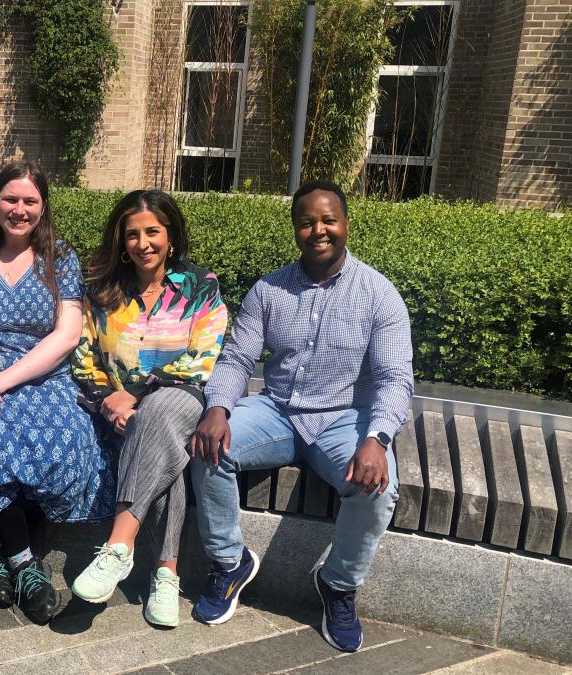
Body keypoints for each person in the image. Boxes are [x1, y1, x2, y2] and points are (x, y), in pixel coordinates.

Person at [188, 180, 412, 652]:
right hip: (278, 412)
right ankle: (230, 563)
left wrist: (378, 438)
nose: (318, 230)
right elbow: (236, 359)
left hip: (344, 418)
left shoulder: (379, 294)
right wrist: (219, 408)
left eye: (328, 219)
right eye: (307, 222)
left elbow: (395, 379)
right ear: (296, 229)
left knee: (379, 487)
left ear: (346, 224)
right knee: (206, 447)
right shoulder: (269, 289)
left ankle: (338, 584)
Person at [0, 160, 115, 624]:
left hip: (41, 375)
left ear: (43, 207)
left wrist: (6, 379)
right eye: (10, 199)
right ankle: (27, 567)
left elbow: (67, 335)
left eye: (29, 201)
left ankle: (4, 556)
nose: (19, 209)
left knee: (67, 437)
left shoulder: (61, 258)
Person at [69, 190, 227, 627]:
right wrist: (107, 401)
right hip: (119, 408)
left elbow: (203, 357)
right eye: (133, 234)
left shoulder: (200, 287)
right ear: (122, 240)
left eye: (152, 232)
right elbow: (83, 355)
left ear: (170, 235)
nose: (143, 243)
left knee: (156, 415)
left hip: (181, 397)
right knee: (158, 439)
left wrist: (133, 396)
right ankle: (166, 574)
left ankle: (118, 546)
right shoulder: (100, 290)